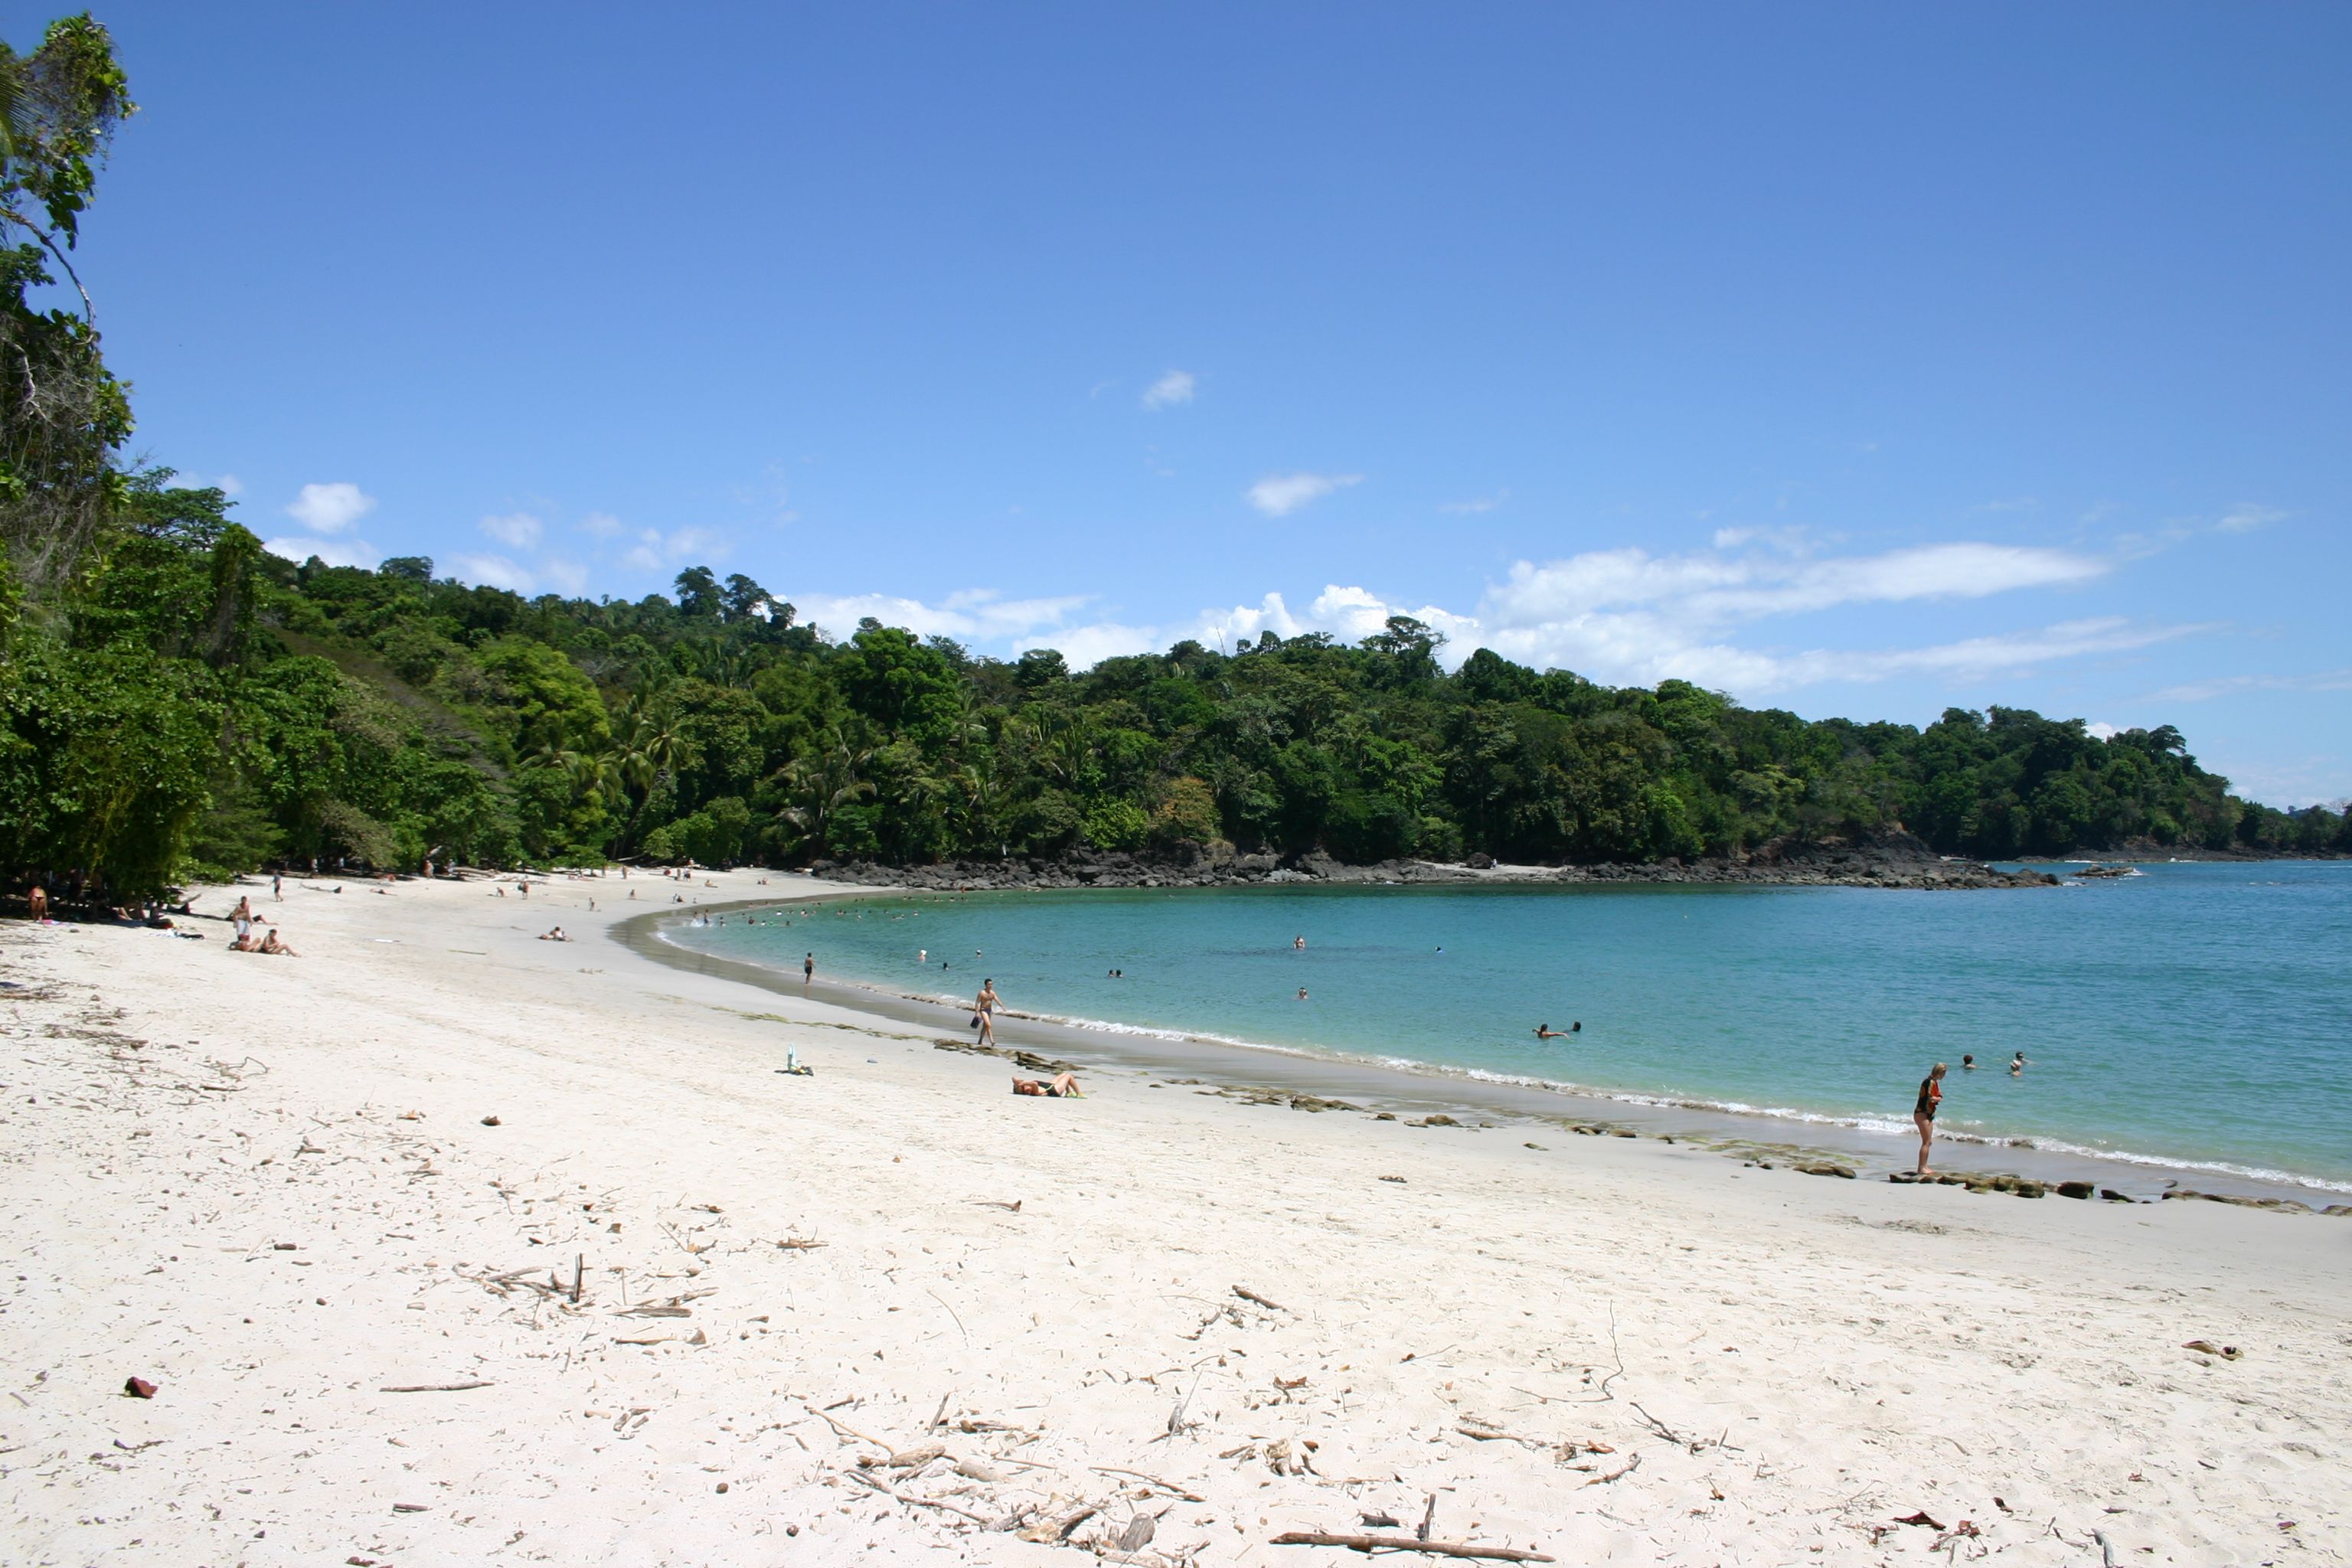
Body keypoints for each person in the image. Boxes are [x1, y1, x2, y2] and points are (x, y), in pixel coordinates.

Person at [1913, 1062, 1946, 1176]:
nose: (1944, 1076)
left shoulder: (1932, 1082)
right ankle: (1921, 1167)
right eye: (1943, 1073)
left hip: (1927, 1114)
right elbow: (1930, 1098)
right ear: (1940, 1072)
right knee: (1926, 1142)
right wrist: (1938, 1099)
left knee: (1928, 1142)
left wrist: (1938, 1097)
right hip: (1922, 1113)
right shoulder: (1929, 1082)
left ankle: (1924, 1165)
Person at [975, 978, 1001, 1044]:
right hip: (983, 1010)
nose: (991, 985)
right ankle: (992, 1041)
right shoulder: (982, 993)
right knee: (988, 1025)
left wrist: (1003, 1007)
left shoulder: (992, 993)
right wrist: (977, 1013)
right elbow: (977, 1003)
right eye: (989, 984)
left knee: (985, 1026)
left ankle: (980, 1041)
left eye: (991, 984)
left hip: (989, 1010)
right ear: (986, 985)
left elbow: (997, 1000)